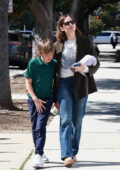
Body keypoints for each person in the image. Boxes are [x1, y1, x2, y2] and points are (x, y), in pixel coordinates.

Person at [54, 14, 100, 167]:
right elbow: (54, 70)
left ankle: (73, 152)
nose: (71, 24)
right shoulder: (57, 45)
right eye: (67, 23)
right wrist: (54, 97)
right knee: (65, 119)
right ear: (62, 27)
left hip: (80, 83)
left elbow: (96, 63)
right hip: (64, 85)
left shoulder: (85, 42)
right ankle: (66, 155)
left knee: (77, 121)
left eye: (72, 22)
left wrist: (84, 68)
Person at [24, 39, 56, 168]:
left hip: (46, 99)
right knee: (34, 128)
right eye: (47, 54)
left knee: (40, 126)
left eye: (51, 54)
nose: (50, 57)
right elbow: (28, 83)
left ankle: (38, 154)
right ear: (40, 53)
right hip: (33, 99)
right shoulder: (33, 63)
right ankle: (40, 153)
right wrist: (35, 98)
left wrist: (55, 100)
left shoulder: (54, 64)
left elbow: (57, 82)